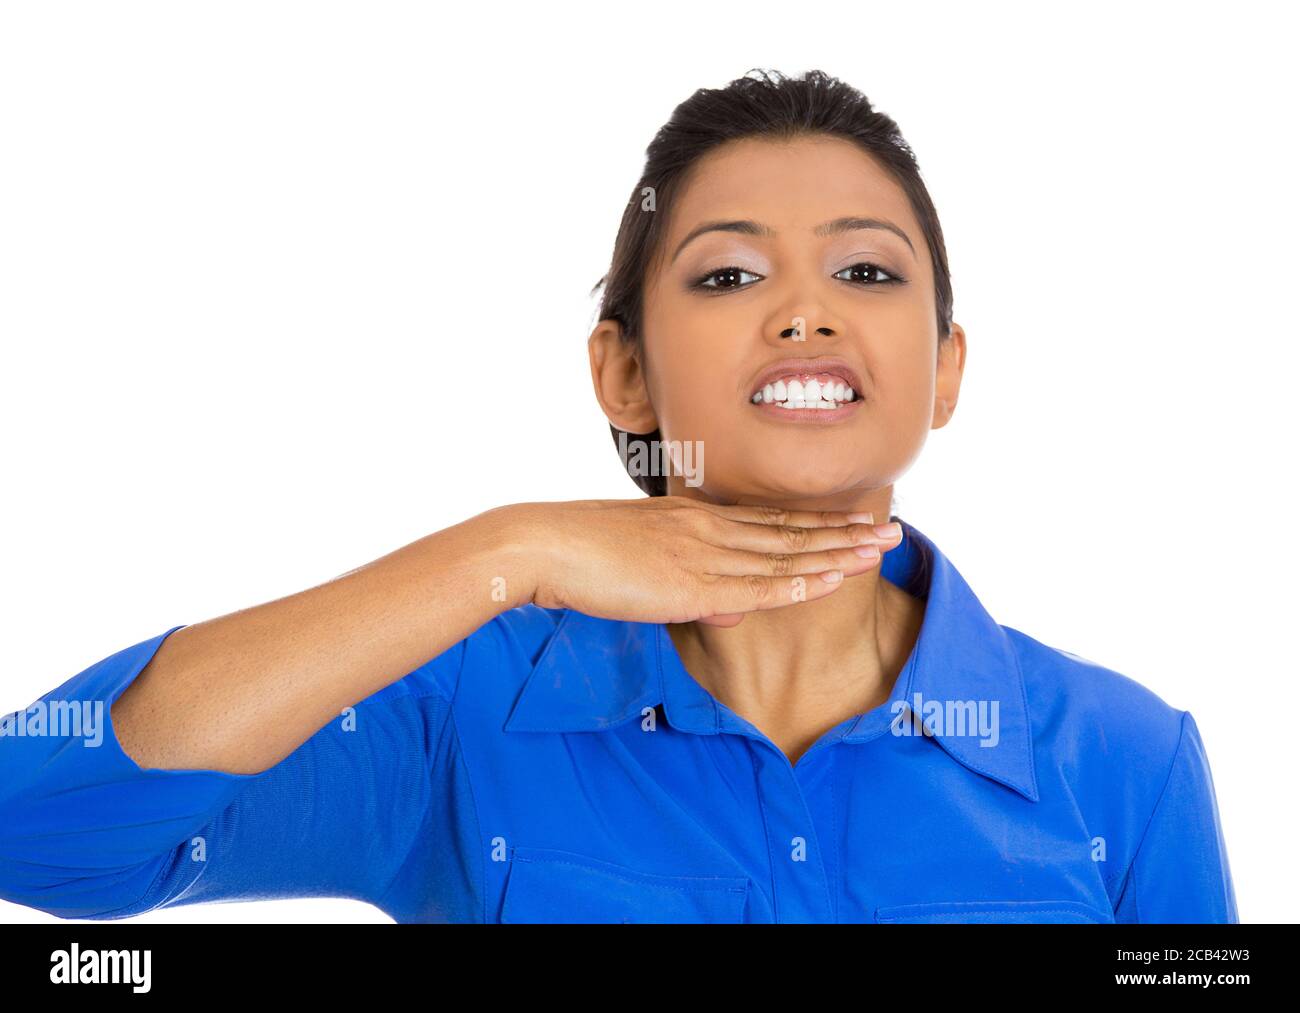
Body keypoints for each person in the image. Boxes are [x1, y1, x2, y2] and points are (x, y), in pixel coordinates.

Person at [0, 68, 1238, 923]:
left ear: (945, 368)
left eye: (864, 267)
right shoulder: (462, 718)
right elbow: (35, 820)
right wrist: (507, 548)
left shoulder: (1126, 760)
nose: (804, 309)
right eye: (728, 273)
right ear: (624, 372)